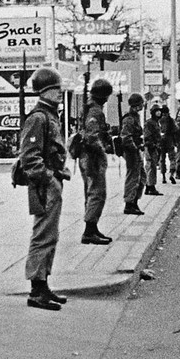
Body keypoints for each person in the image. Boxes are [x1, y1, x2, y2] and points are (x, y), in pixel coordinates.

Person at [18, 68, 71, 311]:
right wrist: (49, 178)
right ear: (44, 91)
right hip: (44, 186)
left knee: (50, 235)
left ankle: (44, 284)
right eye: (55, 89)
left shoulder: (49, 115)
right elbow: (29, 158)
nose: (59, 92)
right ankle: (36, 290)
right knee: (42, 236)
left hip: (51, 183)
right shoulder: (38, 118)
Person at [79, 78, 113, 245]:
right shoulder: (95, 112)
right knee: (97, 193)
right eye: (106, 96)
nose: (107, 99)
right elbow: (92, 136)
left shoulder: (89, 108)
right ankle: (89, 230)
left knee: (91, 192)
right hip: (92, 157)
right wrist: (102, 150)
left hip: (86, 156)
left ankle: (92, 227)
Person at [120, 93, 146, 215]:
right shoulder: (129, 119)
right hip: (131, 152)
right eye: (141, 103)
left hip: (136, 150)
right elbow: (126, 137)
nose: (142, 105)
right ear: (136, 105)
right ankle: (129, 204)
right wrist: (135, 148)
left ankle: (134, 202)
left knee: (141, 176)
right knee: (133, 177)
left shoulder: (135, 117)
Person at [143, 104, 164, 196]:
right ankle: (150, 187)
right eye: (157, 111)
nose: (159, 112)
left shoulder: (155, 122)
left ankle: (149, 186)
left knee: (153, 167)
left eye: (159, 111)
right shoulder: (149, 123)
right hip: (150, 147)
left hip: (155, 147)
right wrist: (152, 144)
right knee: (151, 166)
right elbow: (147, 136)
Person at [158, 105, 177, 184]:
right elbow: (176, 129)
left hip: (161, 141)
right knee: (172, 158)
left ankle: (163, 177)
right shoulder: (171, 120)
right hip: (170, 141)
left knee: (162, 159)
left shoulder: (159, 120)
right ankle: (172, 174)